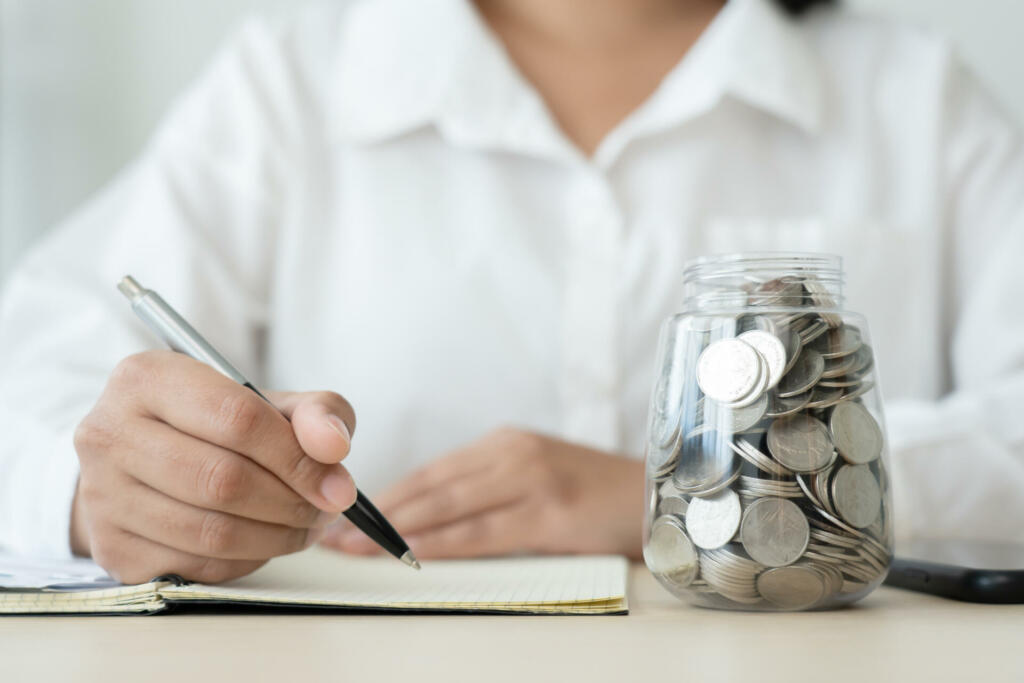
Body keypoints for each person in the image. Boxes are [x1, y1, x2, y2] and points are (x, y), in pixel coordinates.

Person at [1, 0, 1022, 584]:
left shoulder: (916, 102)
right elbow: (34, 369)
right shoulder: (287, 89)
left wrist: (673, 494)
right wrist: (99, 491)